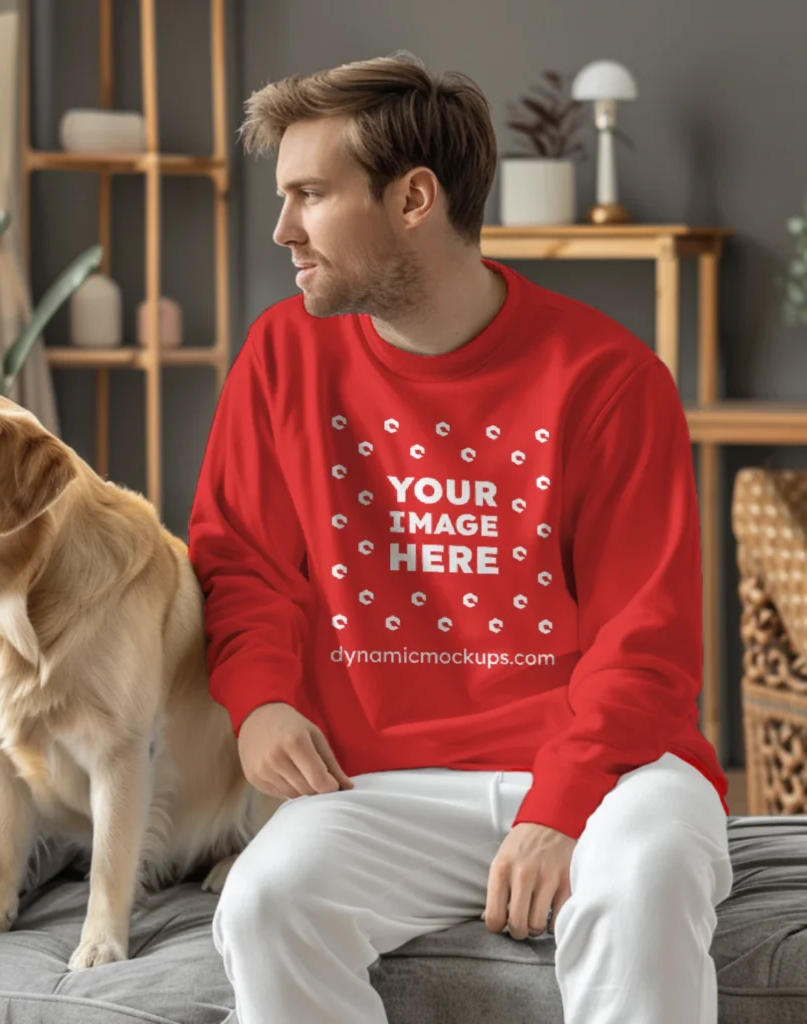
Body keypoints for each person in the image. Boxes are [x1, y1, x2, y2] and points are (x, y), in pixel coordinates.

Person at [186, 51, 732, 1024]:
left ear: (413, 199)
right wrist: (259, 700)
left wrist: (554, 810)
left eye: (309, 195)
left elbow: (642, 640)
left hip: (615, 771)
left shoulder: (606, 377)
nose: (282, 229)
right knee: (265, 902)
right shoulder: (280, 356)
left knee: (642, 883)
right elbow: (242, 561)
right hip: (384, 780)